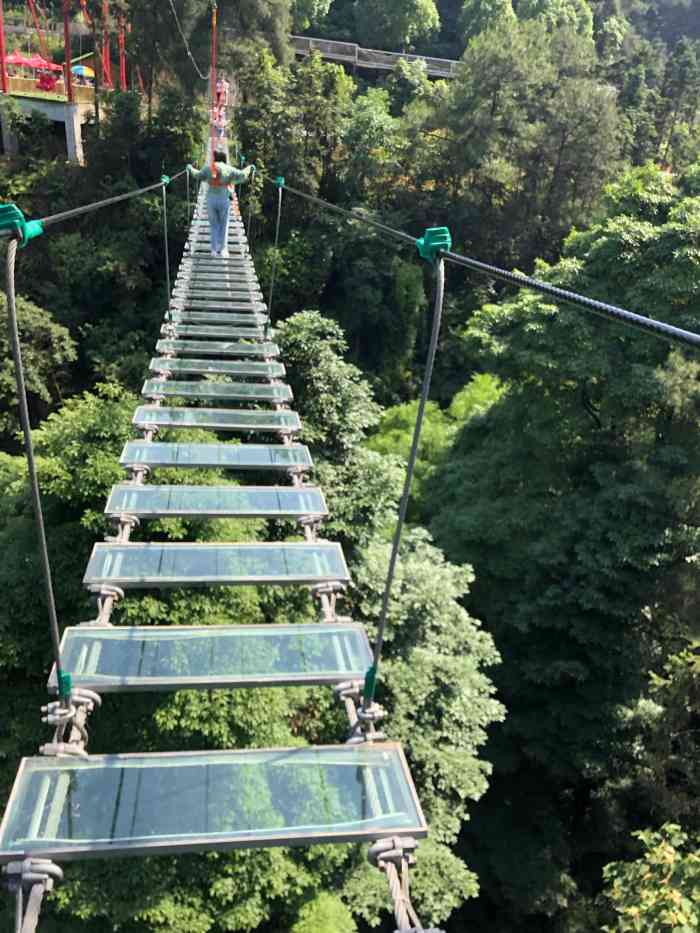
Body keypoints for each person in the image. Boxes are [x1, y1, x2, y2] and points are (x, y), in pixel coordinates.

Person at [187, 152, 253, 257]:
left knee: (214, 226)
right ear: (224, 159)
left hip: (210, 201)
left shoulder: (208, 168)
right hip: (223, 200)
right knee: (224, 225)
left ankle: (213, 250)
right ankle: (223, 250)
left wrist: (190, 168)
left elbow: (197, 175)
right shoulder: (229, 168)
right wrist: (249, 168)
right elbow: (242, 175)